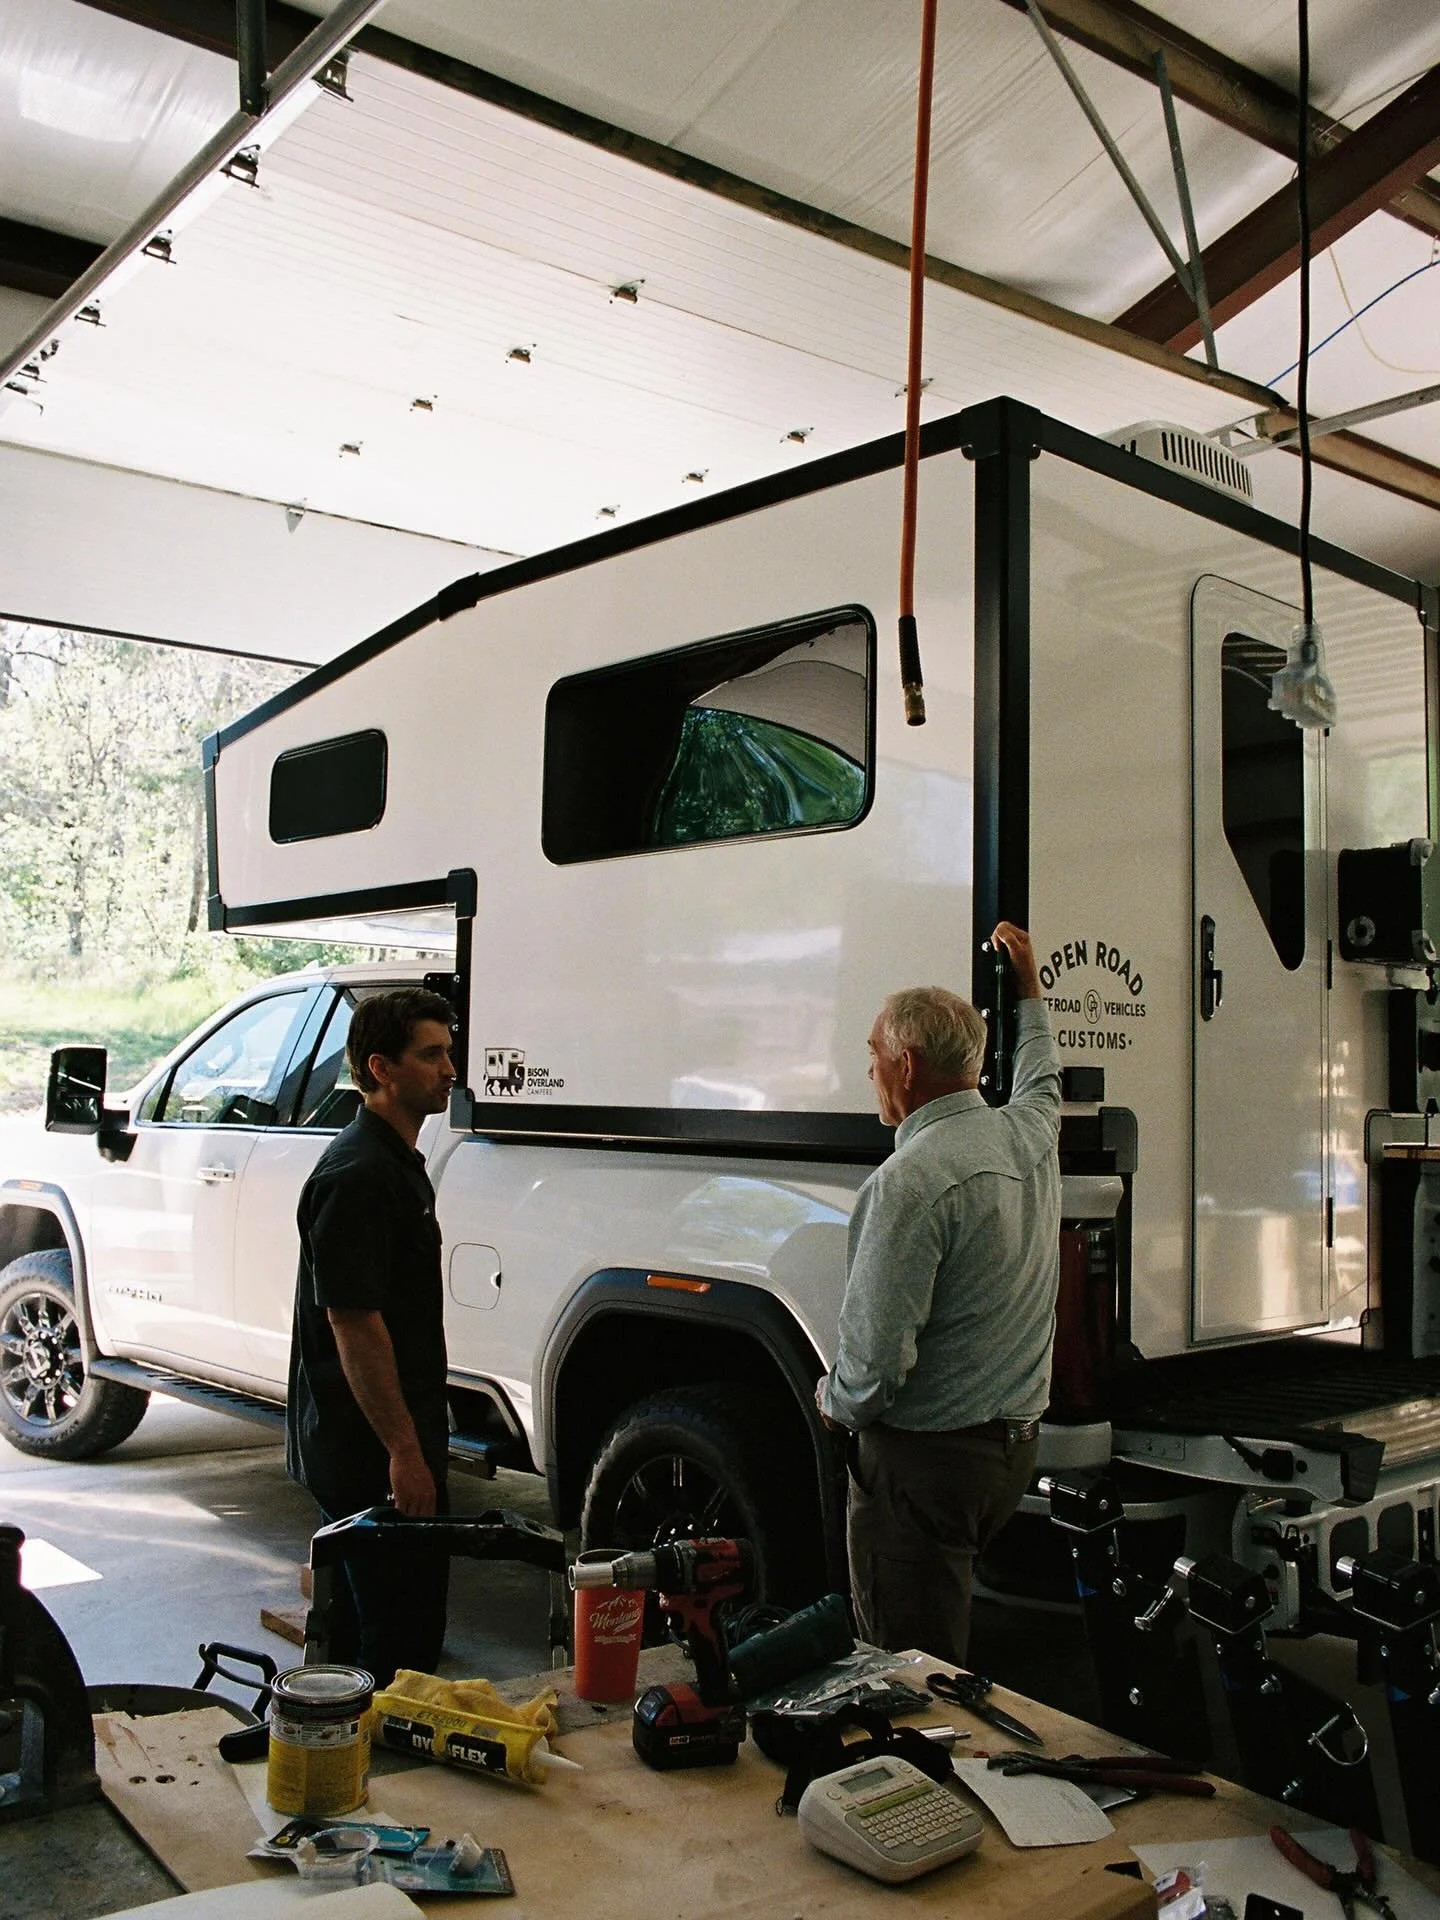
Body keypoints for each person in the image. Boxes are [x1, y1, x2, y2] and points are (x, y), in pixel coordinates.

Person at [816, 922, 1060, 1665]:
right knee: (944, 1651)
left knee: (909, 1671)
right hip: (1009, 1457)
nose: (870, 1073)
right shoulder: (1028, 1134)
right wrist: (1029, 989)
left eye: (872, 1055)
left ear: (907, 1064)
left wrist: (834, 1402)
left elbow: (878, 1361)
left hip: (928, 1466)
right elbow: (1042, 1072)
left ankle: (923, 1778)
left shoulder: (908, 1184)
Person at [286, 986, 458, 1686]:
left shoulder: (394, 1162)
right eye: (431, 1054)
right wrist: (403, 1453)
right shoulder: (359, 1174)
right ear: (381, 1069)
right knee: (399, 1652)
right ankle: (378, 1776)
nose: (450, 1069)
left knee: (370, 1640)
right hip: (368, 1455)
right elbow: (355, 1328)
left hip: (383, 1442)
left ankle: (351, 1762)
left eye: (449, 1052)